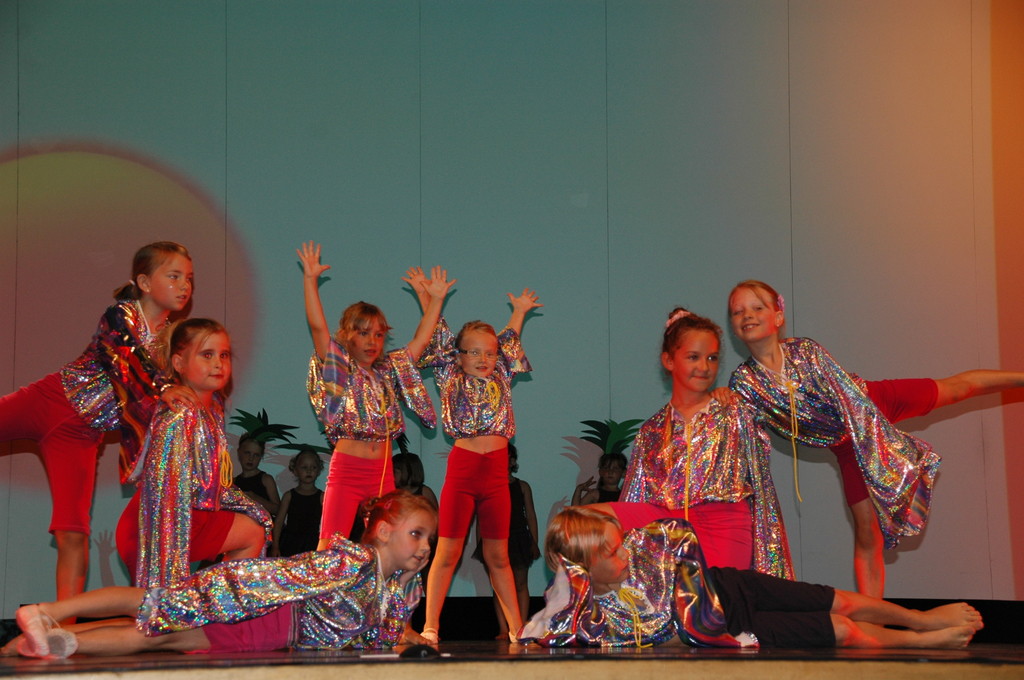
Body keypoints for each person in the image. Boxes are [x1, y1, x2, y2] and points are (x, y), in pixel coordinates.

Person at [726, 280, 1024, 597]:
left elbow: (852, 402)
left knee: (954, 390)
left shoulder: (805, 350)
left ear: (778, 316)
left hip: (872, 404)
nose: (748, 315)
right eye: (738, 312)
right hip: (847, 446)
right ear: (733, 325)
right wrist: (721, 399)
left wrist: (889, 458)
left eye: (757, 307)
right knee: (867, 533)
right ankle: (873, 617)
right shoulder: (743, 384)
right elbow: (739, 432)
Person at [0, 242, 198, 606]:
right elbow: (127, 358)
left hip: (80, 435)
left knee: (72, 533)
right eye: (174, 276)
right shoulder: (120, 315)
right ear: (144, 282)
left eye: (188, 278)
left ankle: (62, 625)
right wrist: (164, 387)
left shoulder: (173, 341)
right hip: (49, 401)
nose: (184, 285)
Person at [7, 490, 436, 658]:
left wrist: (407, 621)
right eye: (416, 534)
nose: (425, 547)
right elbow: (288, 575)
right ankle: (44, 611)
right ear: (383, 531)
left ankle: (56, 645)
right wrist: (225, 591)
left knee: (156, 637)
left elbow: (376, 639)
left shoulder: (398, 589)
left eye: (430, 539)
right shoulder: (353, 562)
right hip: (251, 606)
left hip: (266, 635)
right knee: (152, 604)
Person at [520, 507, 982, 649]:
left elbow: (674, 529)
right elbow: (544, 627)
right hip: (736, 626)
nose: (626, 552)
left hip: (731, 585)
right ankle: (922, 642)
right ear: (583, 568)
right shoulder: (591, 614)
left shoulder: (641, 547)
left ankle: (919, 617)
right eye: (612, 552)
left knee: (837, 599)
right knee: (842, 630)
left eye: (621, 542)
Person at [596, 308, 792, 579]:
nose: (704, 367)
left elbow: (763, 468)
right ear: (669, 360)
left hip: (724, 525)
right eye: (693, 357)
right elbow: (635, 496)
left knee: (717, 597)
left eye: (712, 358)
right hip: (667, 523)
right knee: (581, 521)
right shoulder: (652, 430)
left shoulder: (733, 410)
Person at [409, 266, 541, 644]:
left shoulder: (502, 373)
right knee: (447, 552)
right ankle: (431, 625)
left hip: (496, 472)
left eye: (490, 353)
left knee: (499, 557)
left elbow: (509, 338)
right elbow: (435, 330)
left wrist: (519, 311)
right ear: (458, 356)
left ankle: (516, 628)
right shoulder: (450, 373)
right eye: (474, 352)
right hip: (464, 469)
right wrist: (428, 296)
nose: (484, 358)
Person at [299, 243, 447, 547]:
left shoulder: (390, 368)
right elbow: (317, 327)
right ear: (346, 336)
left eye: (379, 334)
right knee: (330, 546)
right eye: (364, 333)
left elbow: (422, 339)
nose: (372, 341)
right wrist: (310, 280)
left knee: (388, 545)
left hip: (381, 472)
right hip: (347, 470)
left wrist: (436, 300)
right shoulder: (339, 366)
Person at [115, 319, 270, 589]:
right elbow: (164, 495)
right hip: (158, 530)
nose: (218, 364)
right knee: (158, 611)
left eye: (224, 355)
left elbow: (211, 484)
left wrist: (253, 508)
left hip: (194, 520)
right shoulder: (179, 416)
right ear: (179, 363)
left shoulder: (214, 408)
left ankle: (221, 610)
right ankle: (56, 613)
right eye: (207, 355)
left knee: (254, 532)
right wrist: (165, 564)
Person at [473, 443, 541, 639]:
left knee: (520, 584)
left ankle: (520, 627)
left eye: (505, 458)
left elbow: (530, 515)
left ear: (512, 461)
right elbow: (481, 518)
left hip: (519, 538)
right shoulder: (487, 485)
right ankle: (504, 629)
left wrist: (534, 541)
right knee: (499, 587)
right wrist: (480, 544)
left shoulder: (522, 486)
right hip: (494, 539)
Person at [272, 450, 325, 557]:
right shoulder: (289, 496)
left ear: (319, 471)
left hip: (312, 544)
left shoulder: (322, 496)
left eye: (313, 467)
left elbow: (328, 524)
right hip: (290, 543)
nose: (309, 471)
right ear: (295, 471)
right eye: (304, 467)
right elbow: (279, 522)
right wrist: (275, 546)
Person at [233, 433, 282, 516]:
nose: (251, 458)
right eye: (247, 453)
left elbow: (278, 510)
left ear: (261, 456)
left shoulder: (266, 479)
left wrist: (257, 499)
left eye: (256, 455)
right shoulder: (233, 482)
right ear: (239, 452)